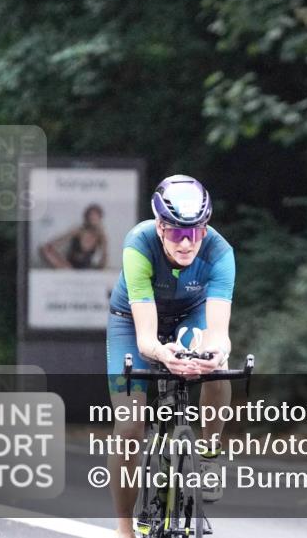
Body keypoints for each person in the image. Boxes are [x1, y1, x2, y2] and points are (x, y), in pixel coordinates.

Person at [105, 175, 235, 538]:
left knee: (218, 367)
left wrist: (214, 354)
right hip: (131, 323)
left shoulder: (220, 252)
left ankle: (209, 453)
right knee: (129, 427)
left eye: (196, 231)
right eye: (177, 232)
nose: (187, 242)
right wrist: (164, 354)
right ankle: (124, 527)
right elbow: (146, 338)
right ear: (160, 227)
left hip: (189, 315)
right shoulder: (138, 245)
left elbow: (219, 333)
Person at [39, 204, 108, 269]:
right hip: (69, 266)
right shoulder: (78, 231)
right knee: (44, 249)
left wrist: (104, 241)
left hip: (86, 268)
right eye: (91, 215)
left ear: (99, 218)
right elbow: (58, 241)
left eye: (95, 216)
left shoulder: (101, 236)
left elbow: (103, 262)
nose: (93, 218)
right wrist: (50, 248)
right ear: (87, 217)